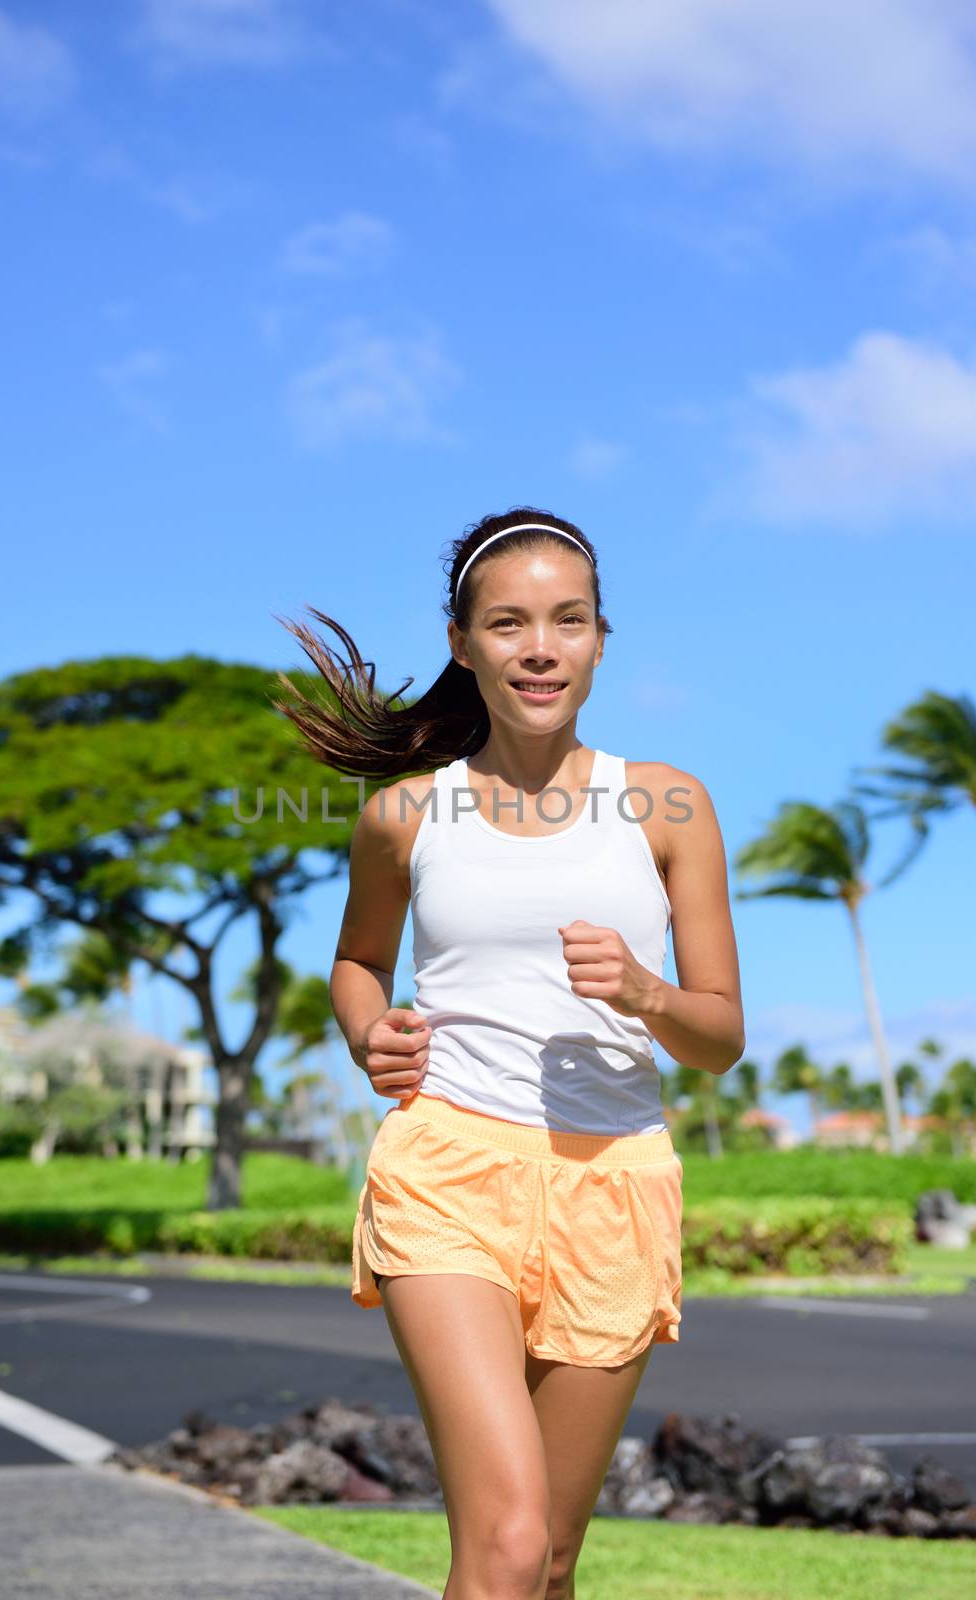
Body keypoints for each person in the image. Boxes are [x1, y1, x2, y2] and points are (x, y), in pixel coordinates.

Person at [272, 507, 745, 1600]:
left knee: (556, 1562)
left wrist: (646, 990)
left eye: (568, 620)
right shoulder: (405, 812)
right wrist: (366, 1033)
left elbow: (720, 1036)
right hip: (448, 1171)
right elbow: (358, 962)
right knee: (506, 1545)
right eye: (510, 623)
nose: (541, 646)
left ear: (599, 637)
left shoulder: (668, 806)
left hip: (613, 1184)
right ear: (462, 641)